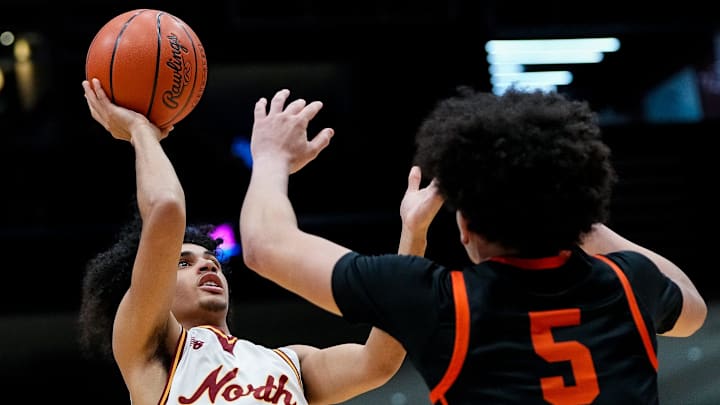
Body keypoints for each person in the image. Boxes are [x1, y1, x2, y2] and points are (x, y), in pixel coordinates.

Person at [239, 87, 708, 404]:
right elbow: (693, 313)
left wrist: (270, 157)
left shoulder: (440, 301)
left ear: (464, 225)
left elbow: (266, 245)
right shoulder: (631, 280)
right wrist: (569, 215)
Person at [77, 78, 443, 405]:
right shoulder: (149, 349)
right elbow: (166, 208)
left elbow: (378, 361)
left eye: (212, 261)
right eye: (183, 262)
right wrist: (140, 130)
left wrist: (414, 233)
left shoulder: (290, 362)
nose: (207, 264)